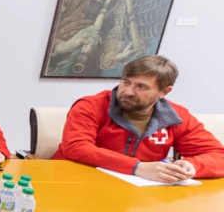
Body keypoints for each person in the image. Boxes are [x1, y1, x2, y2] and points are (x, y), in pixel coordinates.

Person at [54, 55, 224, 180]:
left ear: (164, 92)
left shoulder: (177, 117)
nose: (128, 91)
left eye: (141, 87)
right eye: (126, 82)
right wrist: (137, 167)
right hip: (77, 180)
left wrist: (192, 167)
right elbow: (77, 148)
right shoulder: (91, 105)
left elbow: (218, 156)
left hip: (137, 189)